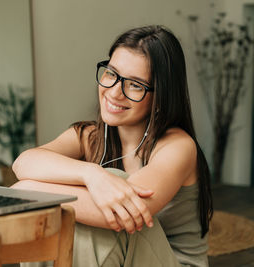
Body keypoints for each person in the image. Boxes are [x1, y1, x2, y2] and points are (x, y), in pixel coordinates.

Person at [11, 25, 213, 267]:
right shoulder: (91, 135)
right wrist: (90, 174)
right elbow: (23, 162)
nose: (115, 92)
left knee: (111, 191)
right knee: (63, 212)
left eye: (135, 85)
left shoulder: (178, 146)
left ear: (161, 96)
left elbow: (123, 214)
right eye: (111, 74)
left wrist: (29, 190)